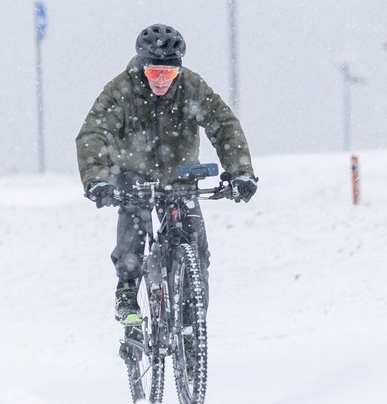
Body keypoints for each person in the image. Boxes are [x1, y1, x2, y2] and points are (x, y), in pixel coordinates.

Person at [76, 23, 257, 324]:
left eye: (169, 74)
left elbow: (224, 126)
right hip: (134, 174)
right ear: (142, 67)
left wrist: (240, 173)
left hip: (181, 177)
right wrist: (97, 180)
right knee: (134, 219)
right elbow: (94, 133)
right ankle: (127, 288)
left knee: (197, 249)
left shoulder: (192, 87)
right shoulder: (122, 90)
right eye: (154, 73)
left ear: (179, 71)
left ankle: (192, 323)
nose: (161, 81)